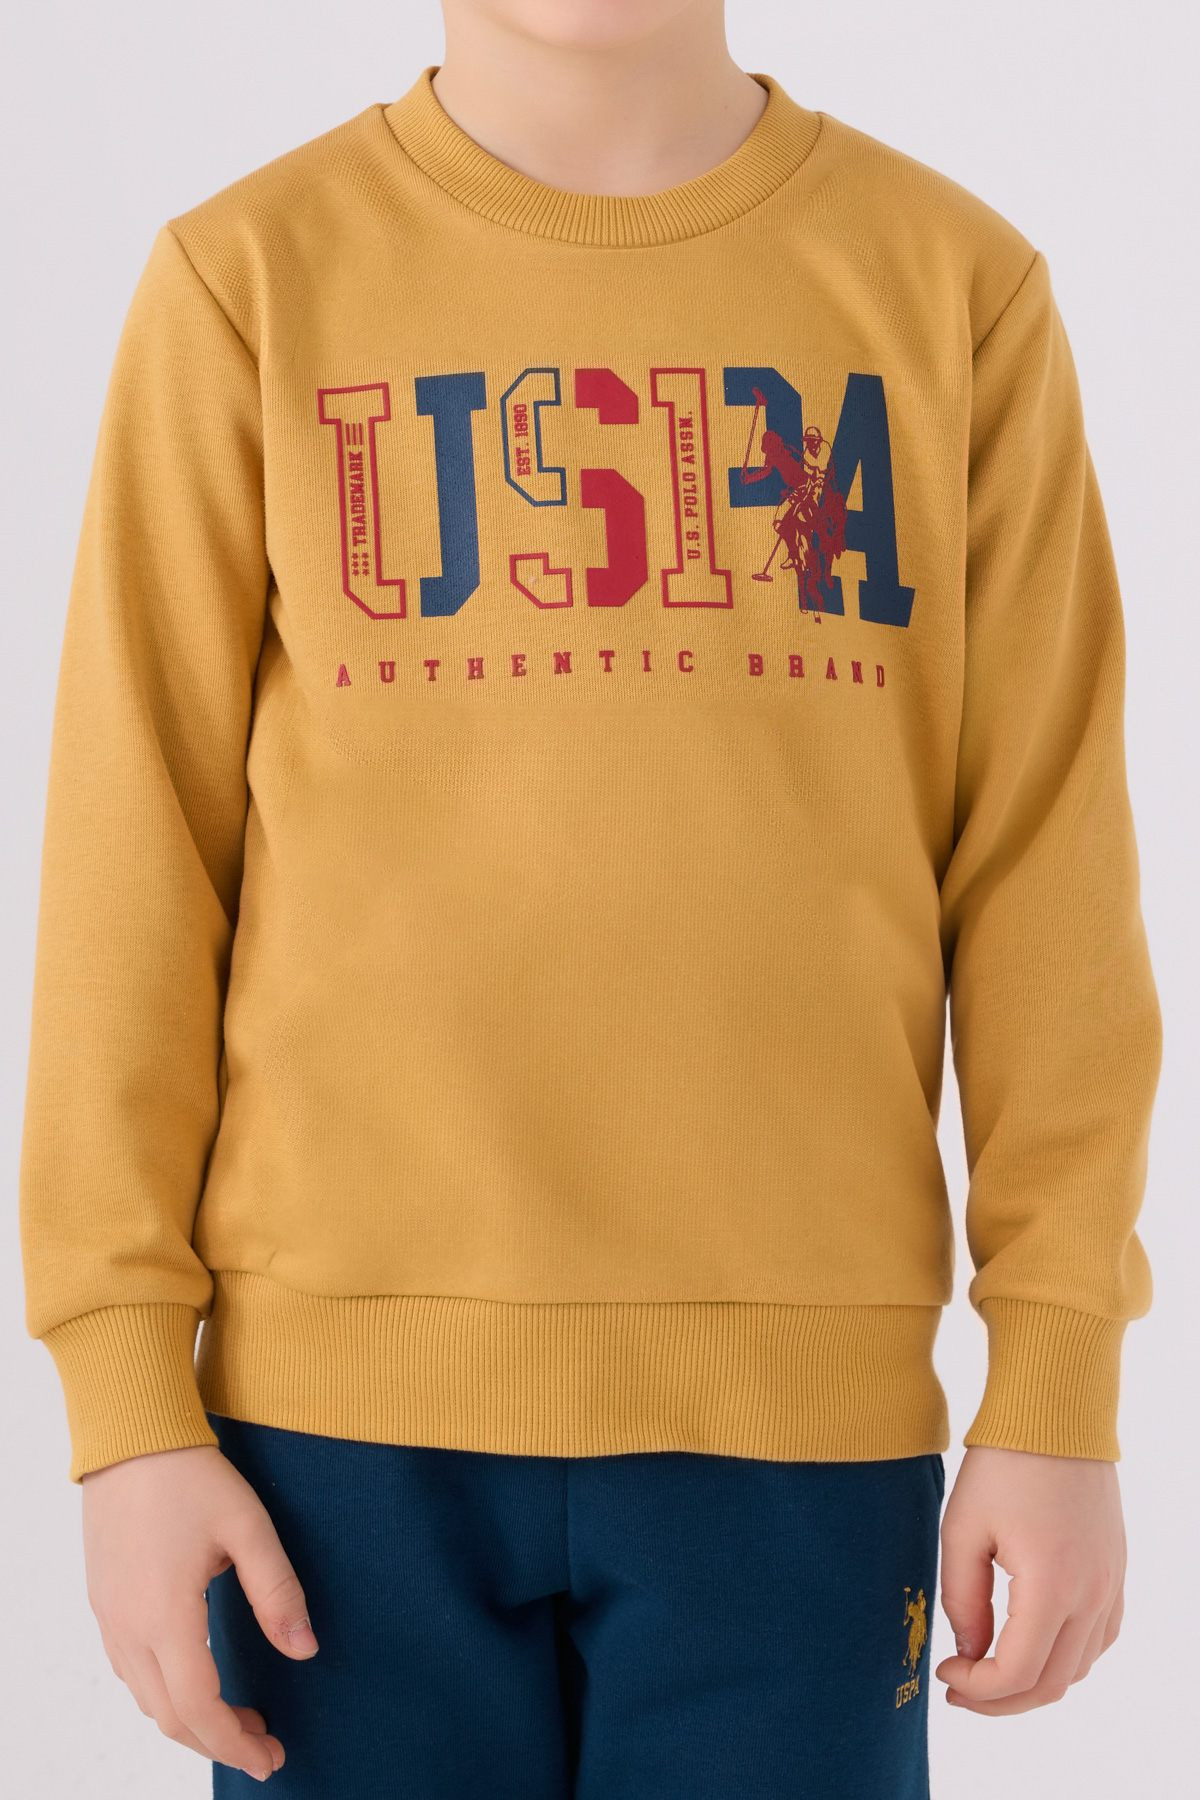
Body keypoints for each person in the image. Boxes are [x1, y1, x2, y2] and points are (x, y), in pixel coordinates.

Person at [17, 1, 1162, 1795]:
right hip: (327, 1446)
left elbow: (1046, 869)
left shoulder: (955, 291)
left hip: (802, 1441)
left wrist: (1059, 1374)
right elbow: (134, 862)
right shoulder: (245, 282)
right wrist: (125, 1403)